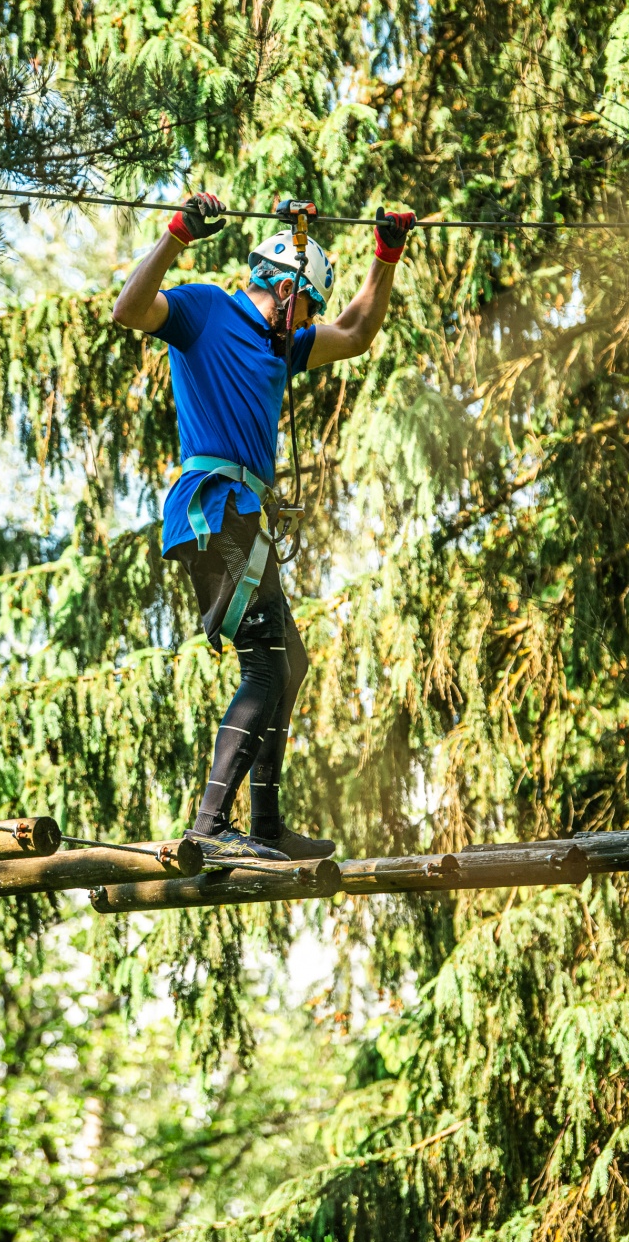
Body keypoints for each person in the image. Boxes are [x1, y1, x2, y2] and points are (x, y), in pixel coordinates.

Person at [112, 193, 416, 861]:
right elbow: (129, 310)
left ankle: (267, 824)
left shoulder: (280, 346)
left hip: (242, 517)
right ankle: (209, 825)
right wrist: (176, 236)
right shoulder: (204, 311)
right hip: (213, 509)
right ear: (285, 289)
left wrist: (386, 256)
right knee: (266, 665)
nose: (309, 322)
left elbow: (356, 333)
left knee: (288, 662)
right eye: (307, 308)